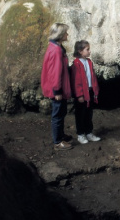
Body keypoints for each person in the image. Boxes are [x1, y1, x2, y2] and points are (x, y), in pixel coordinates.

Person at [41, 23, 74, 151]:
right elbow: (55, 73)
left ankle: (60, 135)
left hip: (59, 87)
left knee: (61, 112)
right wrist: (57, 90)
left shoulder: (56, 47)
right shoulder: (56, 51)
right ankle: (57, 142)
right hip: (57, 89)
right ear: (60, 35)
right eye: (65, 33)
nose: (67, 34)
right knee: (57, 115)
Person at [70, 40, 101, 144]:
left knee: (89, 113)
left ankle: (88, 132)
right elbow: (76, 81)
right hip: (82, 94)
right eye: (87, 49)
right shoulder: (76, 64)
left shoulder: (89, 62)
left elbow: (93, 78)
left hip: (90, 92)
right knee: (80, 114)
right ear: (80, 51)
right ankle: (80, 134)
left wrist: (95, 90)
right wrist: (79, 95)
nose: (89, 51)